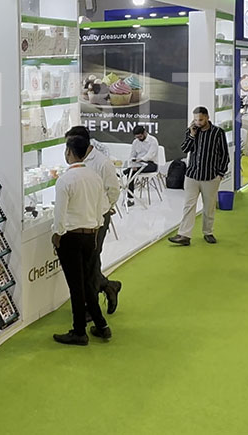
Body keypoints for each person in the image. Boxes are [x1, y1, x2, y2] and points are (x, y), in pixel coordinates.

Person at [50, 135, 111, 346]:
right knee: (87, 282)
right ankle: (101, 325)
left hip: (71, 237)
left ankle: (79, 331)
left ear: (69, 152)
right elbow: (102, 208)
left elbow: (60, 215)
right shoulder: (95, 177)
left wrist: (57, 235)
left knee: (76, 286)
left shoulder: (65, 180)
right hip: (91, 235)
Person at [65, 126, 122, 313]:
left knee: (91, 261)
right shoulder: (76, 161)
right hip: (81, 216)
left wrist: (106, 208)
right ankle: (108, 286)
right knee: (88, 261)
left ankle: (92, 307)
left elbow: (114, 190)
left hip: (98, 217)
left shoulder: (102, 163)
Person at [170, 107, 230, 246]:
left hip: (210, 176)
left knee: (209, 207)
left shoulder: (218, 132)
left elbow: (224, 154)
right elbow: (184, 149)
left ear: (207, 117)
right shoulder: (191, 131)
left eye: (201, 119)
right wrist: (192, 135)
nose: (198, 122)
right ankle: (184, 235)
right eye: (196, 119)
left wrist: (220, 173)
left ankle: (208, 232)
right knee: (188, 206)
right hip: (192, 175)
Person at [124, 125, 159, 207]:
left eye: (140, 136)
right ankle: (130, 199)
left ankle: (123, 172)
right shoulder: (135, 142)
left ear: (144, 133)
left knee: (131, 171)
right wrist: (133, 162)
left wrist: (140, 160)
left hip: (151, 164)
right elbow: (132, 155)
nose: (139, 138)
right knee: (131, 173)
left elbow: (150, 155)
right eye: (137, 137)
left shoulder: (153, 140)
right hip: (138, 164)